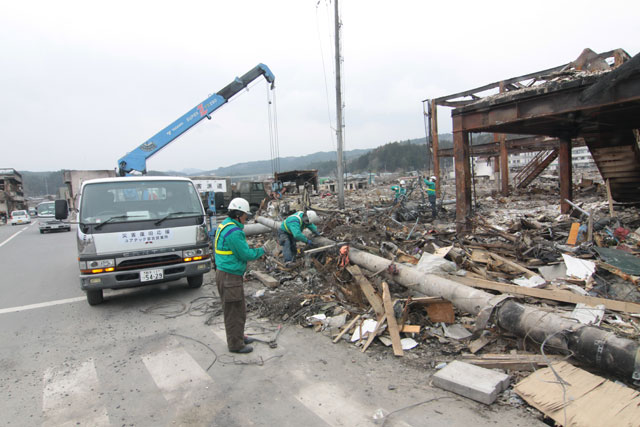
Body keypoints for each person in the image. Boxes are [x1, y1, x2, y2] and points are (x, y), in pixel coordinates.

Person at [214, 198, 265, 354]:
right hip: (229, 276)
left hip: (227, 273)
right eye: (245, 215)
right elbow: (245, 254)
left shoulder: (225, 225)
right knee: (234, 311)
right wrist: (263, 250)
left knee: (238, 308)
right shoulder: (234, 232)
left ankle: (238, 336)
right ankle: (236, 344)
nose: (246, 218)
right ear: (237, 214)